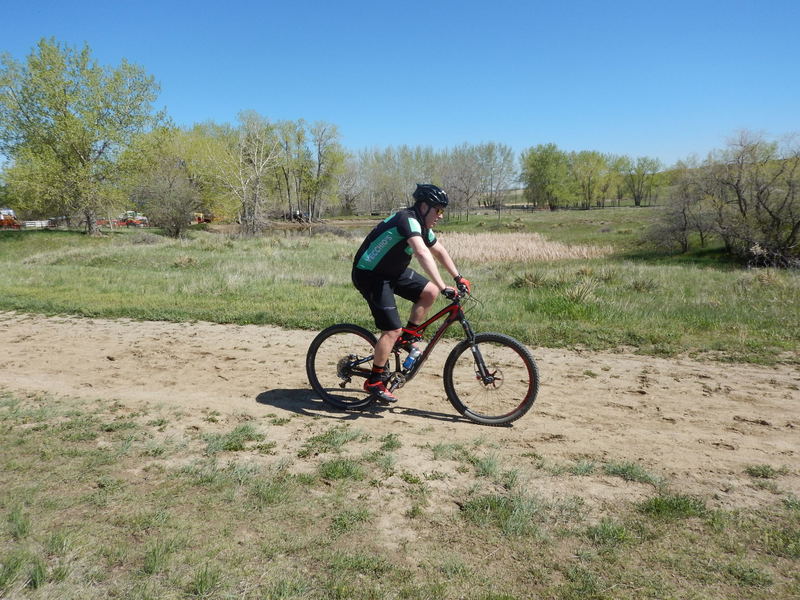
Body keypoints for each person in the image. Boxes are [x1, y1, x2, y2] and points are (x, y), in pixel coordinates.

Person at [351, 183, 471, 402]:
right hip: (370, 275)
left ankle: (407, 339)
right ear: (424, 206)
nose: (441, 215)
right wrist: (445, 285)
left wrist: (457, 277)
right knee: (392, 329)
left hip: (392, 272)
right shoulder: (407, 220)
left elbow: (439, 250)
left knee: (429, 292)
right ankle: (374, 381)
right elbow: (422, 252)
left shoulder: (422, 226)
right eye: (439, 210)